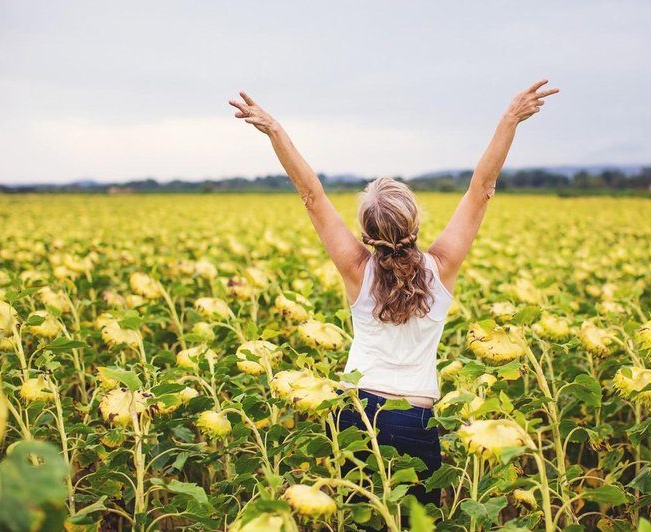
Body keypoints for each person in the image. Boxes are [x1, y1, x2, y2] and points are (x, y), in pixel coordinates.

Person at [228, 79, 559, 527]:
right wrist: (509, 119)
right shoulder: (440, 268)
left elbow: (312, 195)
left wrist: (275, 131)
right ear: (416, 223)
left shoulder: (355, 269)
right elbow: (481, 189)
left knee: (360, 520)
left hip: (357, 414)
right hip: (416, 420)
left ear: (366, 235)